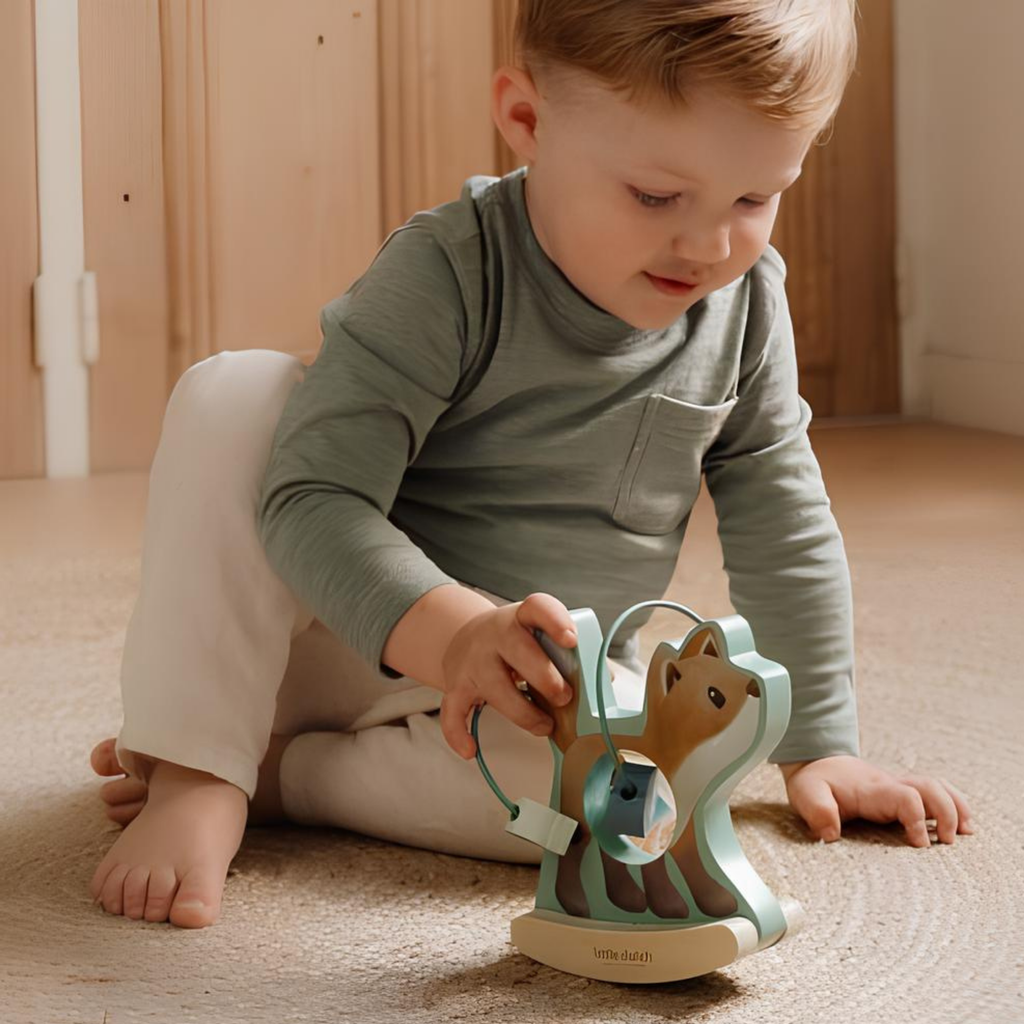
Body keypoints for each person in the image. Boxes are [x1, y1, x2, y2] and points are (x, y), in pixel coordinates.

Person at [88, 0, 974, 929]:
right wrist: (461, 633)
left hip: (533, 689)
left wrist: (820, 747)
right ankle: (199, 765)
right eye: (655, 197)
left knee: (633, 800)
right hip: (329, 639)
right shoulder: (449, 272)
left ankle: (284, 776)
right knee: (237, 396)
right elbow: (315, 501)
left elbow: (784, 517)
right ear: (526, 120)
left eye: (754, 200)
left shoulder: (747, 303)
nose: (711, 247)